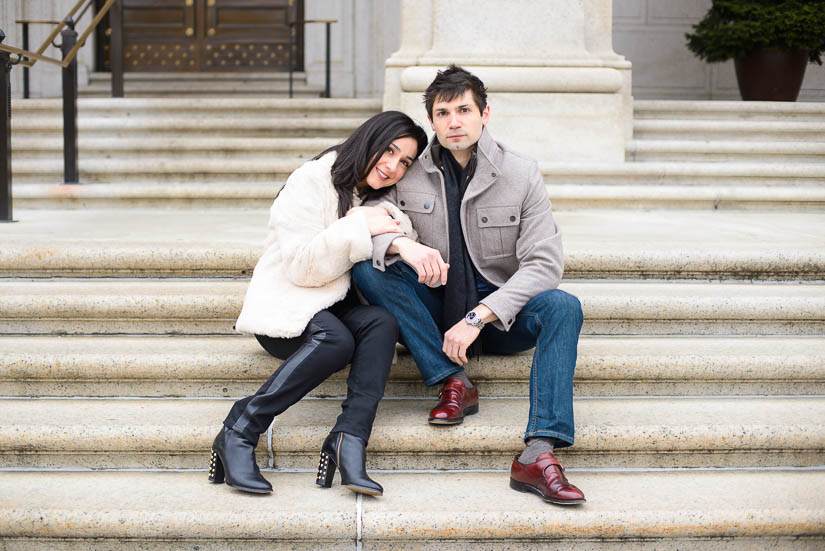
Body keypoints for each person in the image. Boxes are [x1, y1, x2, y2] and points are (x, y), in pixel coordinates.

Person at [352, 66, 586, 505]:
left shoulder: (521, 173)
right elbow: (368, 224)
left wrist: (480, 316)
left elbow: (544, 264)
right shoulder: (408, 171)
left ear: (484, 114)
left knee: (564, 306)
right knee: (370, 269)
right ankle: (453, 379)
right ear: (432, 121)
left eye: (464, 110)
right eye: (443, 113)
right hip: (435, 313)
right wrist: (404, 245)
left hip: (499, 318)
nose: (454, 122)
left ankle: (538, 453)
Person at [209, 111, 428, 496]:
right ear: (368, 139)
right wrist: (359, 225)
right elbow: (303, 268)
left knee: (381, 322)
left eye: (405, 161)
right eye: (389, 151)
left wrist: (392, 233)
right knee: (337, 340)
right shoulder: (312, 179)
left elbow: (400, 225)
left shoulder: (376, 195)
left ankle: (349, 439)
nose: (394, 166)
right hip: (286, 313)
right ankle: (240, 429)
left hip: (334, 310)